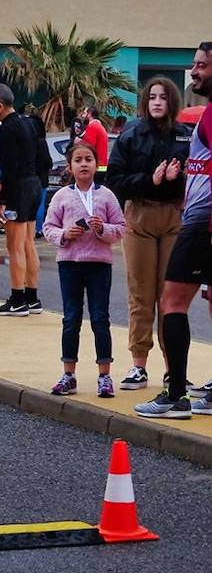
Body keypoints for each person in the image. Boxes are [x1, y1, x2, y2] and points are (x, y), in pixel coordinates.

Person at [135, 43, 212, 419]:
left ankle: (176, 395)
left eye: (200, 65)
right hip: (200, 219)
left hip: (202, 224)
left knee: (172, 302)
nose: (193, 72)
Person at [105, 76, 192, 392]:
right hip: (140, 215)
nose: (157, 102)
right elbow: (115, 180)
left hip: (173, 216)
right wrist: (151, 180)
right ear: (145, 102)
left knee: (170, 296)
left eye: (163, 97)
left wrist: (176, 179)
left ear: (172, 102)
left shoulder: (185, 136)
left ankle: (173, 369)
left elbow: (196, 180)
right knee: (140, 293)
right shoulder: (130, 135)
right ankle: (138, 365)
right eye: (152, 97)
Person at [43, 143, 125, 397]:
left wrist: (103, 230)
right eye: (78, 160)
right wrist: (65, 234)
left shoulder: (107, 195)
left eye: (88, 159)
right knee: (71, 318)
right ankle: (69, 374)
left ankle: (105, 375)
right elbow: (48, 227)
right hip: (69, 264)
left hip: (99, 264)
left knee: (100, 319)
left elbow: (120, 228)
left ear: (96, 163)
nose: (83, 164)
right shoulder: (62, 196)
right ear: (70, 166)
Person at [0, 83, 43, 315]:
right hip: (34, 184)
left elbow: (7, 169)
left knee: (14, 245)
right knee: (28, 242)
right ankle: (32, 297)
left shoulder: (7, 129)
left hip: (19, 188)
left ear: (0, 105)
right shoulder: (29, 123)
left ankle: (17, 299)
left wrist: (1, 202)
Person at [78, 106, 109, 183]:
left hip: (95, 167)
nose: (82, 116)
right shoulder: (100, 126)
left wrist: (79, 142)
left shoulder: (92, 126)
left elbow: (88, 147)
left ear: (89, 114)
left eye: (84, 113)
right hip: (101, 166)